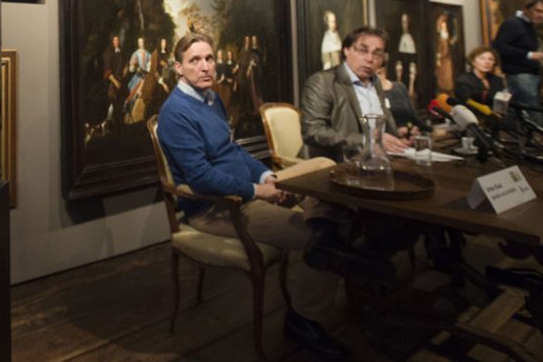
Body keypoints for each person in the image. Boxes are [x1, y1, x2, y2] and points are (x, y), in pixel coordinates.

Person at [157, 32, 390, 360]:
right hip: (217, 208)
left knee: (323, 166)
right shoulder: (175, 112)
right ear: (179, 68)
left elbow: (232, 152)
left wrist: (269, 176)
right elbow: (200, 177)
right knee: (320, 236)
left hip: (248, 190)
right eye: (195, 60)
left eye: (209, 58)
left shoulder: (212, 99)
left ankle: (342, 234)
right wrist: (258, 191)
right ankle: (304, 321)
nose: (206, 66)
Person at [301, 26, 411, 161]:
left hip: (382, 159)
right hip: (339, 164)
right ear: (346, 50)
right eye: (362, 50)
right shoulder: (322, 82)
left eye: (377, 53)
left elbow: (378, 126)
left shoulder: (375, 82)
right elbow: (312, 132)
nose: (370, 59)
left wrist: (399, 139)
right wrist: (366, 140)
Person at [492, 0, 543, 110]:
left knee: (525, 113)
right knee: (531, 113)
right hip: (520, 76)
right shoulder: (513, 23)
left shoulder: (528, 25)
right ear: (525, 9)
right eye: (537, 11)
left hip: (527, 75)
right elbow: (499, 46)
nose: (541, 15)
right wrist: (529, 55)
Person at [376, 55, 426, 136]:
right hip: (390, 139)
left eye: (381, 65)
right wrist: (396, 132)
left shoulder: (400, 87)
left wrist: (429, 130)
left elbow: (414, 117)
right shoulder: (371, 93)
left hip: (411, 136)